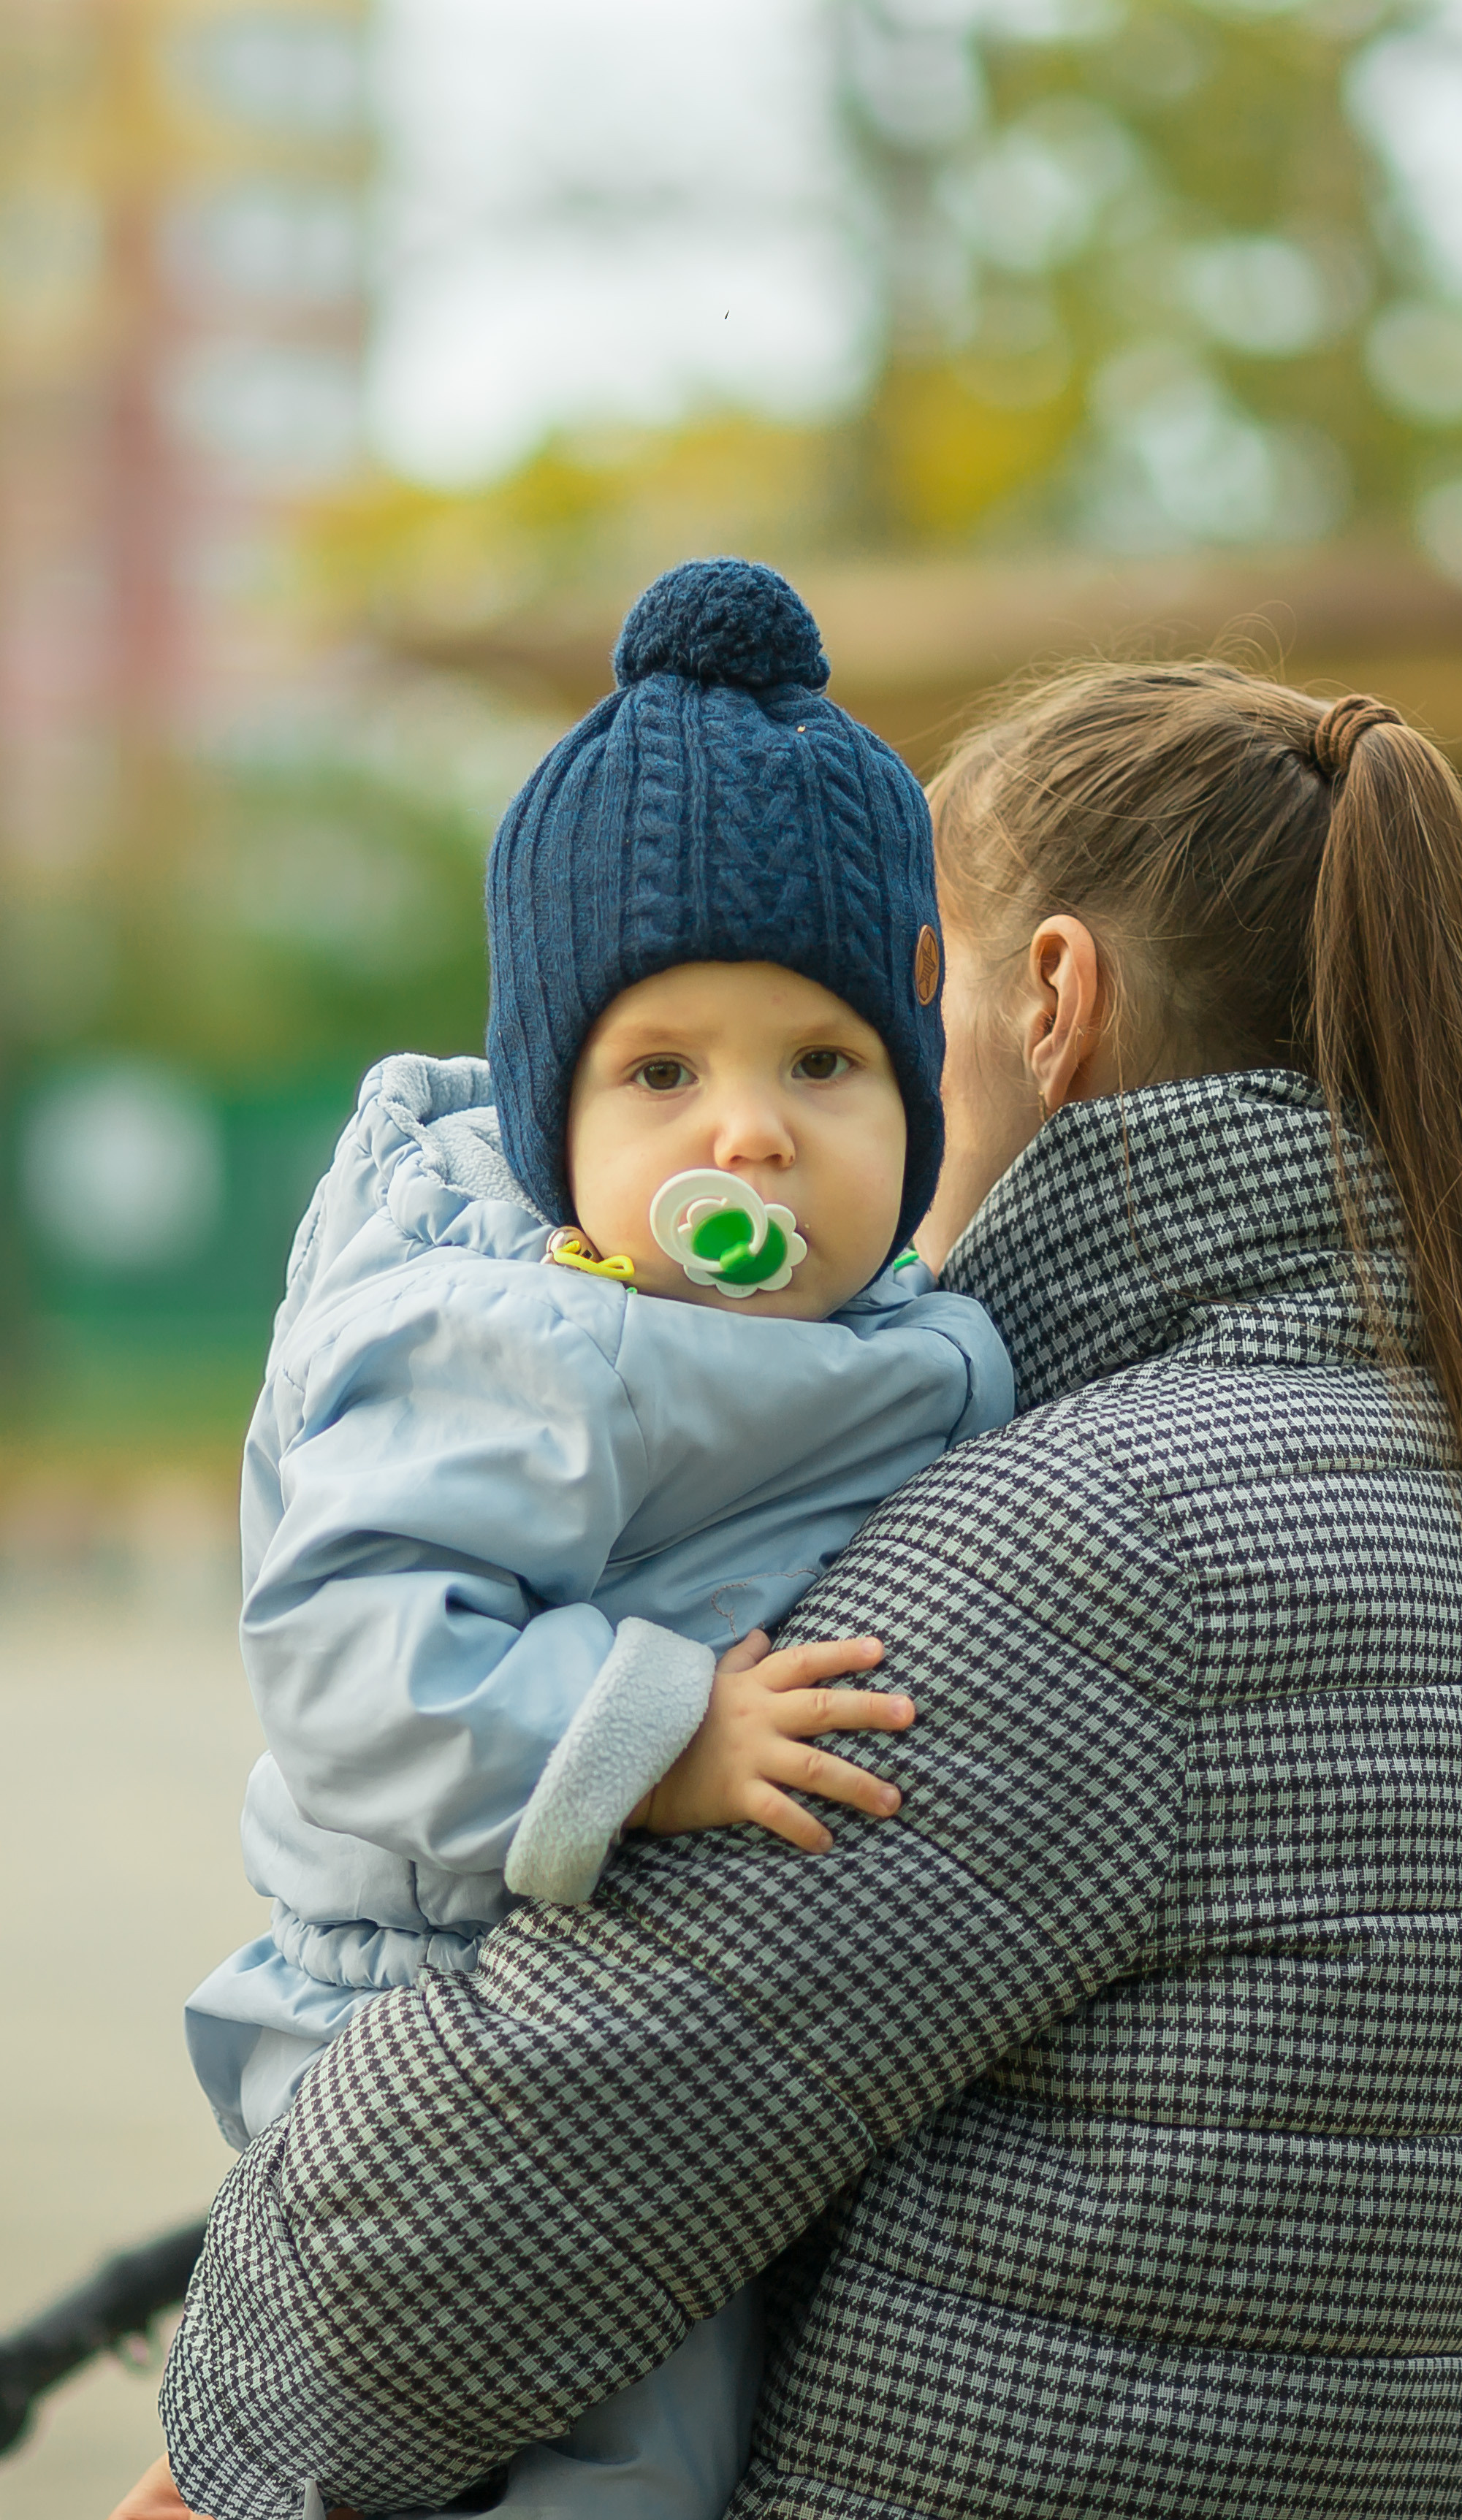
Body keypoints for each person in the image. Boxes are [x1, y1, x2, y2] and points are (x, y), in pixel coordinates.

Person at [156, 659, 1462, 2520]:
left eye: (874, 1023)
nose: (763, 1122)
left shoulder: (1098, 1538)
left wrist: (229, 2442)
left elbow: (529, 2166)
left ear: (1055, 1001)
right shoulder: (1429, 1470)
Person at [157, 557, 1014, 2520]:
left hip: (658, 2025)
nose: (748, 1135)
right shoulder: (512, 1341)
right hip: (425, 2022)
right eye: (661, 1072)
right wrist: (663, 1733)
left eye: (822, 1061)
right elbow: (355, 1661)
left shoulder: (885, 1339)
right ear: (555, 1118)